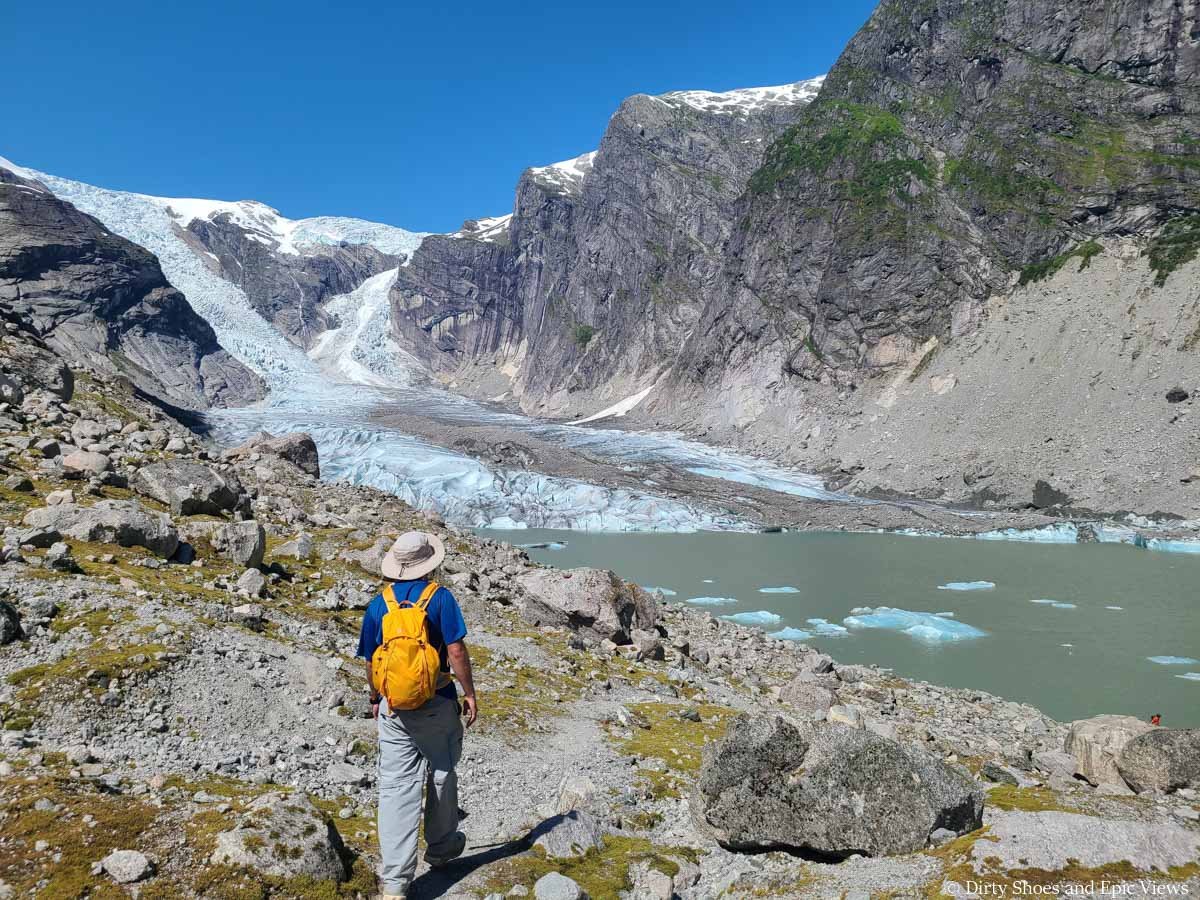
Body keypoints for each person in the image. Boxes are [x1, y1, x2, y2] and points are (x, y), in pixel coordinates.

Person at [356, 531, 479, 900]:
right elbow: (455, 650)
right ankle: (441, 850)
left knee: (396, 788)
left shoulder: (380, 605)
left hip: (393, 707)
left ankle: (395, 883)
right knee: (441, 771)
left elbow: (370, 658)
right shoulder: (439, 598)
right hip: (438, 701)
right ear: (430, 565)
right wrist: (469, 693)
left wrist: (377, 697)